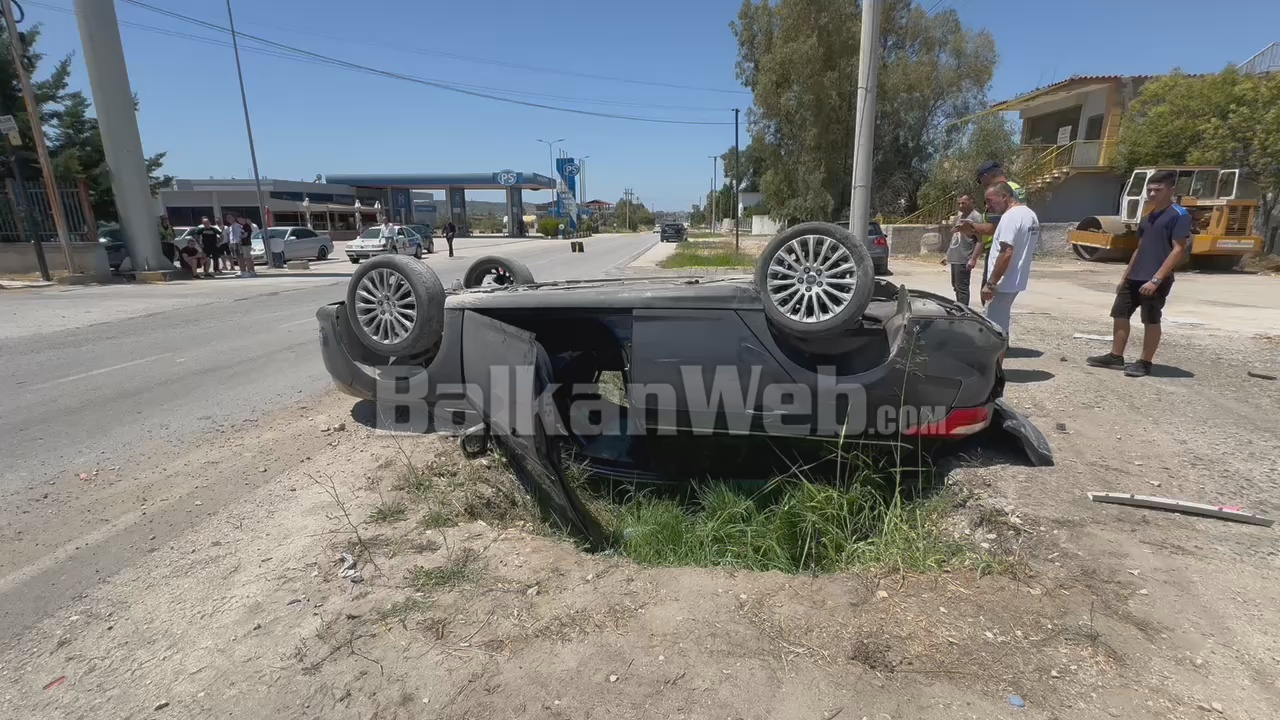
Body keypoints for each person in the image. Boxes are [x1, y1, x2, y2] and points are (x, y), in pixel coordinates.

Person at [1087, 170, 1191, 377]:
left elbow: (1178, 250)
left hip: (1156, 279)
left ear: (1171, 189)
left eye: (1158, 190)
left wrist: (1156, 279)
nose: (1152, 194)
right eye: (1150, 190)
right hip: (1134, 277)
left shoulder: (1179, 215)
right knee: (1120, 314)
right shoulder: (1147, 217)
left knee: (1150, 319)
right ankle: (1116, 357)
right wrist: (1125, 276)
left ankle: (1145, 362)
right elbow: (1139, 248)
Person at [979, 182, 1040, 337]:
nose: (988, 206)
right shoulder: (1030, 214)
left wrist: (991, 283)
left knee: (995, 330)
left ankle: (996, 360)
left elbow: (1006, 252)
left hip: (1002, 283)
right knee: (1000, 323)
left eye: (990, 200)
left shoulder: (1010, 217)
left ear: (1004, 196)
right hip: (1014, 280)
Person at [955, 162, 1026, 287]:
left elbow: (993, 228)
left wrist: (971, 227)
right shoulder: (1015, 187)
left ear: (985, 176)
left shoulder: (1000, 193)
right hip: (1013, 246)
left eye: (980, 180)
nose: (982, 185)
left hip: (1001, 248)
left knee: (989, 293)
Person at [943, 193, 983, 305]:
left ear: (971, 202)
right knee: (956, 286)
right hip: (955, 256)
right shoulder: (961, 216)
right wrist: (948, 255)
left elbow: (980, 240)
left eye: (963, 203)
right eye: (959, 203)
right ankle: (959, 308)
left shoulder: (976, 217)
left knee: (962, 288)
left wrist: (973, 259)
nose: (961, 205)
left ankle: (963, 312)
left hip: (964, 257)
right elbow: (956, 237)